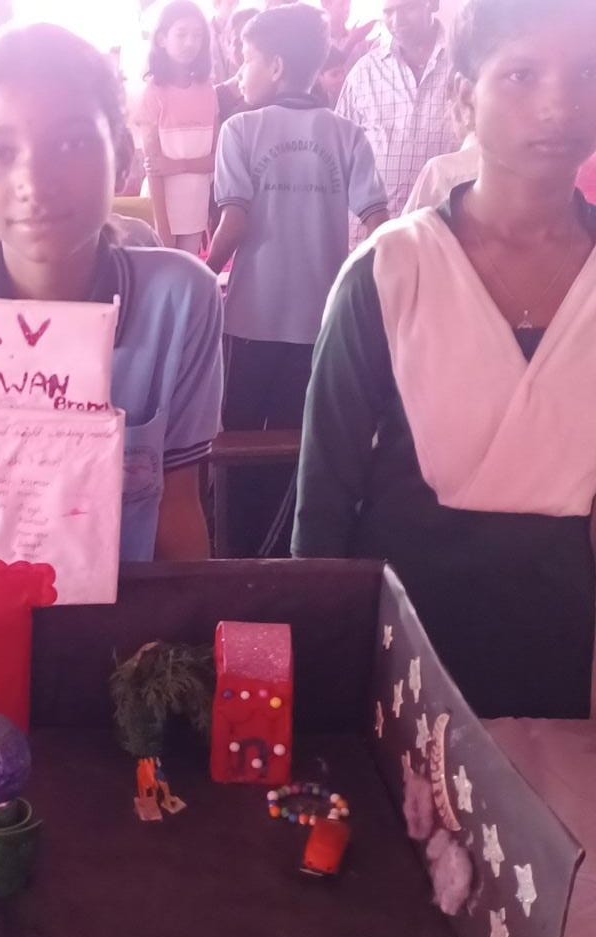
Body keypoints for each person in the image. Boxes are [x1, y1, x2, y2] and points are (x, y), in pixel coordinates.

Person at [293, 0, 596, 720]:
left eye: (586, 74)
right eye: (522, 75)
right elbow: (324, 495)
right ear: (463, 96)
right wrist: (318, 679)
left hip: (563, 653)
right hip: (400, 645)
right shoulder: (392, 268)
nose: (559, 103)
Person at [0, 24, 223, 562]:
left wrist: (189, 619)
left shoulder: (179, 301)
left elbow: (177, 505)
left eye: (72, 144)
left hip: (121, 614)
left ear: (121, 156)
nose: (34, 179)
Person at [206, 5, 388, 558]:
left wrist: (199, 274)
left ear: (277, 66)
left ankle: (234, 552)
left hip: (251, 320)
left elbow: (234, 223)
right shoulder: (347, 134)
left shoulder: (241, 129)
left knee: (235, 440)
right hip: (319, 324)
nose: (240, 74)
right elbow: (379, 227)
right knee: (297, 442)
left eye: (247, 60)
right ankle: (283, 552)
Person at [336, 0, 458, 216]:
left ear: (433, 4)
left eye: (408, 8)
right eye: (388, 12)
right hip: (371, 228)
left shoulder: (463, 67)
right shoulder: (365, 72)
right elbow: (339, 152)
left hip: (441, 226)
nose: (397, 21)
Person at [133, 0, 217, 255]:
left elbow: (214, 160)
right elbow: (154, 169)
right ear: (161, 39)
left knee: (188, 272)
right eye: (181, 34)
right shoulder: (153, 94)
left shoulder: (208, 91)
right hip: (161, 209)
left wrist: (179, 165)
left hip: (195, 208)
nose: (190, 42)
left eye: (197, 35)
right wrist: (163, 227)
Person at [321, 0, 376, 70]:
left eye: (349, 3)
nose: (347, 8)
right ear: (325, 3)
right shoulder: (317, 40)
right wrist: (351, 42)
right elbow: (329, 69)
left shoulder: (359, 40)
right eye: (342, 3)